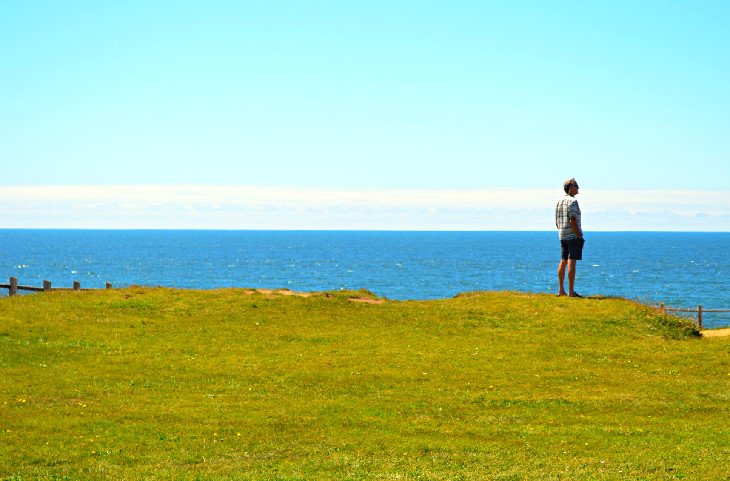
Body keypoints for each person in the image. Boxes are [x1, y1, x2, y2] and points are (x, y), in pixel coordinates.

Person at [555, 178, 584, 297]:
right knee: (572, 261)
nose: (578, 188)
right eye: (576, 186)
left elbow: (556, 220)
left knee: (563, 260)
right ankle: (571, 292)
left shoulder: (559, 201)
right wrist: (579, 234)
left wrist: (561, 229)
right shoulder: (572, 202)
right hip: (572, 235)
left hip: (562, 234)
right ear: (570, 188)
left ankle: (561, 290)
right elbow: (572, 219)